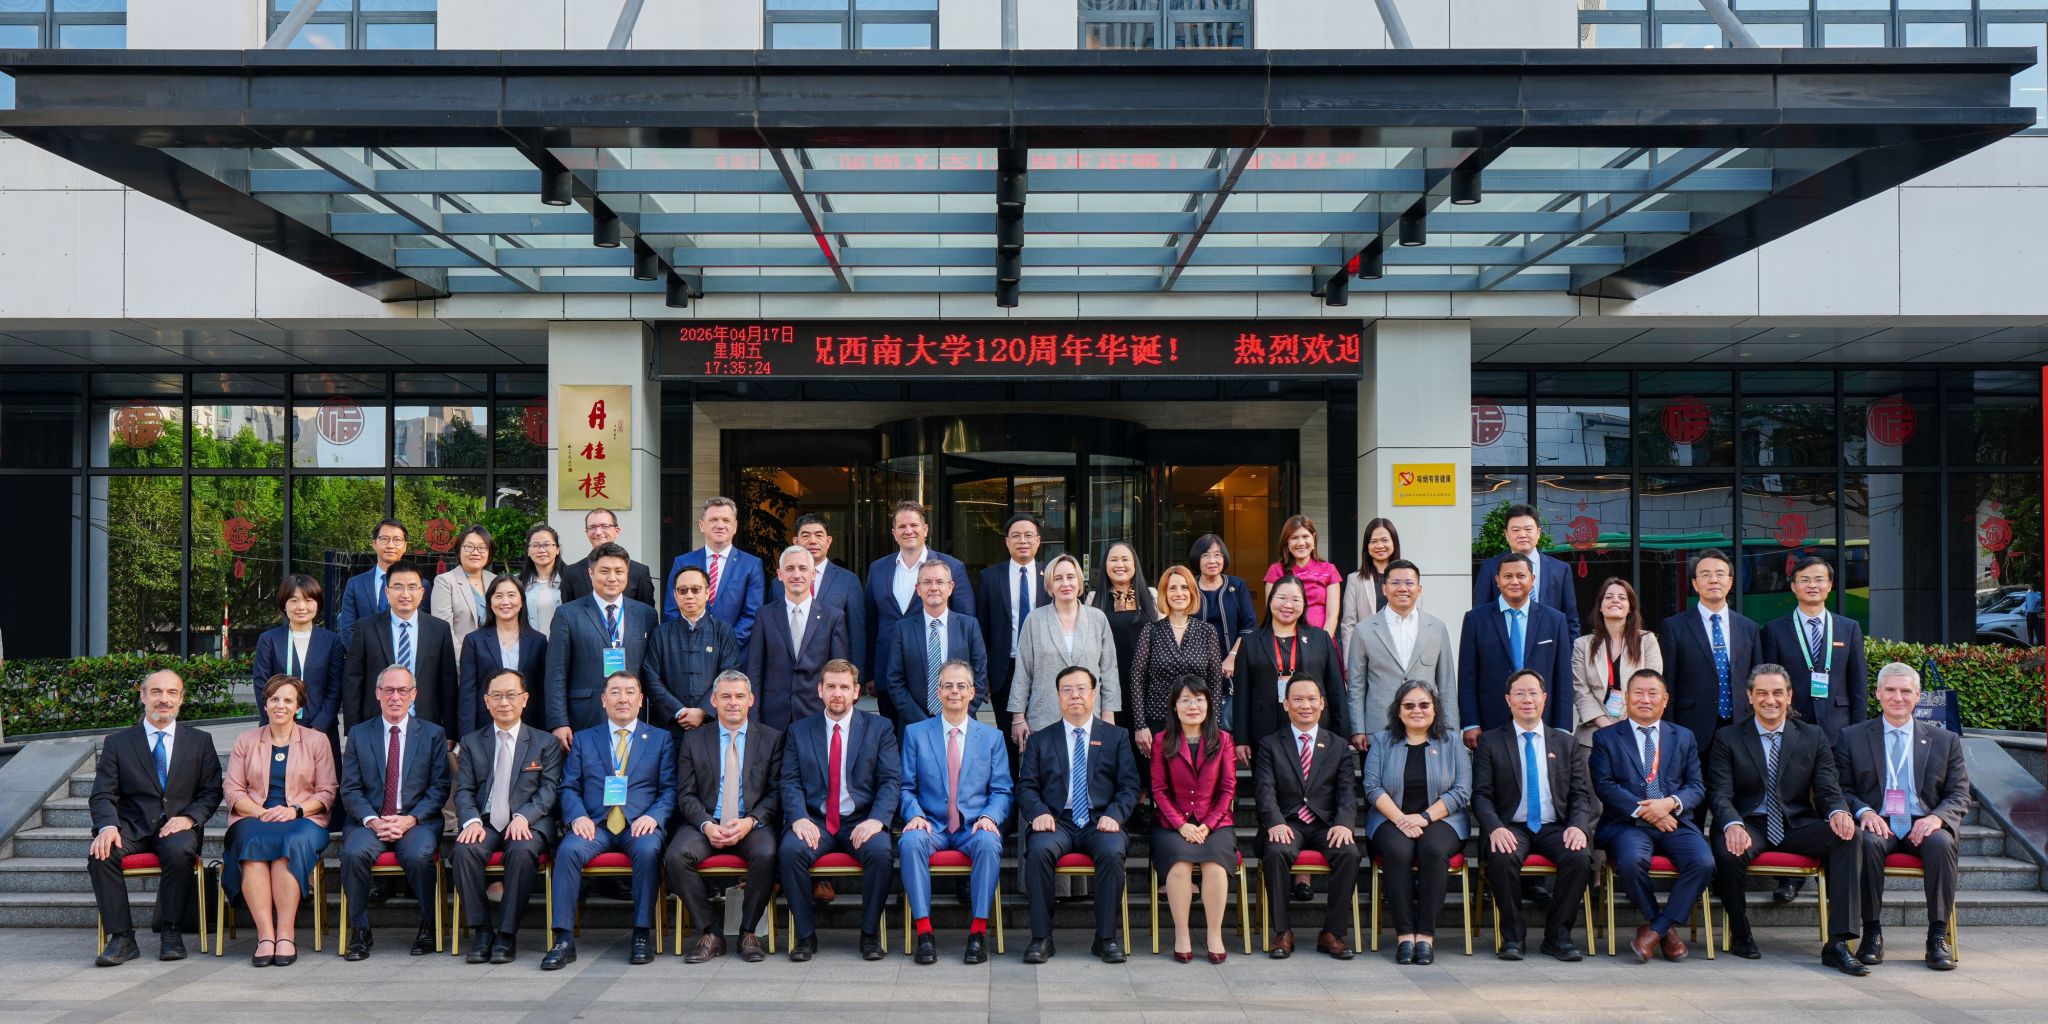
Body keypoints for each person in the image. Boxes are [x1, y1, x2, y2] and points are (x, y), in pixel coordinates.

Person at [1704, 663, 1866, 974]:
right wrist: (1732, 823)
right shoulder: (1728, 737)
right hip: (1750, 822)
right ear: (1749, 696)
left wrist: (1838, 812)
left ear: (1789, 695)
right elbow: (1720, 793)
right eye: (1762, 693)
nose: (1770, 700)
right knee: (1727, 849)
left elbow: (1828, 788)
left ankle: (1838, 943)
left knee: (1849, 837)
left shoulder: (1813, 736)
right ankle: (1741, 934)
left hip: (1796, 823)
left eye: (1777, 693)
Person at [1836, 662, 1968, 971]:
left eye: (1906, 691)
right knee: (1865, 843)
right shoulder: (1852, 737)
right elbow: (1839, 788)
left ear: (1918, 696)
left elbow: (1960, 793)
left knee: (1941, 843)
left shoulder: (1944, 740)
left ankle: (1938, 936)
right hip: (1877, 821)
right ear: (1878, 694)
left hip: (1923, 823)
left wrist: (1936, 818)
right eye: (1891, 690)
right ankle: (1872, 933)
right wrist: (1863, 810)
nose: (1898, 697)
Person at [88, 669, 224, 966]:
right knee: (101, 853)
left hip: (178, 826)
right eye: (156, 692)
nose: (164, 699)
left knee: (179, 851)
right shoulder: (118, 743)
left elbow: (212, 790)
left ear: (181, 699)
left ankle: (171, 931)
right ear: (143, 696)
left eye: (172, 692)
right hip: (130, 827)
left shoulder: (200, 741)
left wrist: (189, 819)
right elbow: (102, 793)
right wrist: (108, 826)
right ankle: (122, 937)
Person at [543, 672, 676, 970]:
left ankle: (641, 934)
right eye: (615, 692)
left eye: (629, 692)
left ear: (640, 700)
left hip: (639, 825)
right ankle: (563, 940)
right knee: (568, 851)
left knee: (648, 851)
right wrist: (577, 816)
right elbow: (568, 787)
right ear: (603, 700)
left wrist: (653, 817)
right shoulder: (584, 738)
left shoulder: (660, 739)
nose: (622, 699)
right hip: (596, 825)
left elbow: (669, 790)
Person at [1018, 666, 1141, 965]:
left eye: (1081, 688)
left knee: (1112, 852)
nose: (1075, 695)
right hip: (1057, 820)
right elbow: (1026, 787)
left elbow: (1129, 786)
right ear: (1058, 696)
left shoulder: (1116, 737)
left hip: (1100, 821)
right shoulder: (1040, 739)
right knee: (1038, 851)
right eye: (1067, 690)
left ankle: (1106, 939)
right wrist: (1038, 812)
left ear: (1093, 694)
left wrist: (1115, 814)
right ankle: (1041, 938)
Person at [779, 659, 900, 962]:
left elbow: (890, 781)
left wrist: (877, 820)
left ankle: (869, 935)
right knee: (790, 852)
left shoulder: (879, 728)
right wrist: (798, 818)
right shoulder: (799, 731)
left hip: (861, 819)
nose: (837, 693)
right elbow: (790, 781)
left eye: (844, 687)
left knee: (881, 853)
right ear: (819, 690)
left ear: (856, 692)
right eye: (831, 686)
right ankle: (805, 936)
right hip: (816, 820)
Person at [1471, 669, 1596, 962]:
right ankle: (1513, 937)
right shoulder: (1491, 741)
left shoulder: (1565, 743)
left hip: (1555, 825)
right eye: (1520, 693)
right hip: (1511, 825)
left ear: (1544, 698)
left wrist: (1578, 826)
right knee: (1502, 856)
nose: (1527, 699)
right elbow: (1481, 795)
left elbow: (1580, 795)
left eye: (1533, 693)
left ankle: (1558, 936)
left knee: (1579, 857)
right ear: (1508, 700)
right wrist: (1495, 827)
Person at [1590, 669, 1712, 964]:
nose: (1645, 699)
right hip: (1627, 824)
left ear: (1665, 699)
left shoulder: (1683, 736)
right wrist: (1650, 811)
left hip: (1674, 820)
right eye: (1638, 693)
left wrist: (1669, 803)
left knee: (1703, 862)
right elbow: (1605, 785)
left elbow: (1696, 786)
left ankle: (1656, 929)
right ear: (1627, 697)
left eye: (1652, 693)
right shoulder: (1606, 737)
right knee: (1631, 862)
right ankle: (1665, 929)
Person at [667, 670, 784, 964]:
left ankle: (748, 933)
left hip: (751, 824)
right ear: (714, 701)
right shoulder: (694, 740)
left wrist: (750, 821)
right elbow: (685, 795)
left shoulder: (771, 739)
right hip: (706, 822)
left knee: (767, 853)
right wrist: (706, 824)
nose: (733, 702)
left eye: (739, 696)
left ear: (751, 700)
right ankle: (711, 933)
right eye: (726, 696)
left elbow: (775, 793)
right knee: (676, 855)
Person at [899, 661, 1012, 965]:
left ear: (972, 692)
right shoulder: (916, 734)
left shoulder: (991, 738)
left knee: (989, 842)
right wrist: (914, 814)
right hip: (931, 826)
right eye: (948, 686)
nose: (954, 692)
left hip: (973, 827)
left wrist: (989, 817)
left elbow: (1002, 790)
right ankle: (924, 933)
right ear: (938, 692)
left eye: (961, 686)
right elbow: (906, 787)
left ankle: (978, 933)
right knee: (909, 841)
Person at [221, 675, 337, 969]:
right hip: (253, 816)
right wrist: (261, 812)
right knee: (251, 843)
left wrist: (294, 810)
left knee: (289, 842)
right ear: (265, 704)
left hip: (304, 819)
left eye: (288, 700)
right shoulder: (246, 740)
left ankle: (286, 934)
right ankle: (265, 936)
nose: (280, 705)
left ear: (298, 707)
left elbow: (327, 792)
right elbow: (233, 790)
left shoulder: (317, 740)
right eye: (274, 699)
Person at [450, 667, 562, 965]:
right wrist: (471, 820)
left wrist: (525, 816)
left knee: (522, 851)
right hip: (486, 821)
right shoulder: (472, 742)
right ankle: (482, 931)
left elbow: (550, 789)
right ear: (486, 701)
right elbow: (464, 790)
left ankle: (507, 934)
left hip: (529, 822)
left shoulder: (544, 742)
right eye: (496, 696)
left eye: (511, 695)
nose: (504, 702)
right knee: (463, 851)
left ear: (524, 699)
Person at [337, 665, 450, 961]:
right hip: (370, 821)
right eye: (389, 690)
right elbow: (350, 788)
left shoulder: (433, 734)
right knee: (353, 854)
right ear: (378, 694)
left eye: (403, 690)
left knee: (418, 856)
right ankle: (361, 929)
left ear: (414, 694)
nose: (395, 697)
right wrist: (373, 821)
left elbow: (439, 787)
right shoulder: (359, 734)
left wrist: (410, 819)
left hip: (416, 820)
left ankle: (428, 925)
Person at [1362, 680, 1470, 966]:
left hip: (1442, 818)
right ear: (1398, 711)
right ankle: (1404, 936)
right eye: (1409, 705)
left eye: (1424, 704)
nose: (1416, 710)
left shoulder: (1452, 741)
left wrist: (1423, 818)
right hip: (1390, 818)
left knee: (1433, 850)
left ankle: (1425, 935)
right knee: (1396, 851)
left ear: (1435, 709)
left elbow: (1462, 790)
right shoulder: (1382, 741)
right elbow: (1372, 787)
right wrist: (1401, 819)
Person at [1253, 673, 1360, 959]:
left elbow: (1347, 791)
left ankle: (1332, 933)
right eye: (1298, 699)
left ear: (1322, 703)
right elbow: (1264, 789)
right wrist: (1274, 821)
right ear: (1286, 704)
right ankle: (1282, 932)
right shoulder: (1270, 744)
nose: (1305, 705)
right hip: (1288, 823)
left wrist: (1344, 823)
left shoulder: (1338, 745)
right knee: (1276, 851)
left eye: (1312, 699)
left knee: (1349, 853)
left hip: (1325, 824)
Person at [1150, 677, 1237, 964]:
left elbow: (1227, 789)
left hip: (1215, 823)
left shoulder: (1223, 740)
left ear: (1209, 705)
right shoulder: (1162, 741)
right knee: (1179, 864)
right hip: (1172, 824)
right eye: (1185, 700)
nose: (1193, 706)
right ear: (1174, 706)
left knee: (1215, 867)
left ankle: (1214, 934)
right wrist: (1180, 824)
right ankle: (1182, 934)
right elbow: (1159, 790)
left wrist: (1208, 824)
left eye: (1199, 700)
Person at [863, 500, 973, 717]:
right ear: (894, 533)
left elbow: (965, 625)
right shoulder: (877, 568)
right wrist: (869, 672)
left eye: (914, 525)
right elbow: (870, 623)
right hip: (889, 674)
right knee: (892, 735)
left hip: (937, 674)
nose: (908, 531)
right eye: (902, 526)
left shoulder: (952, 566)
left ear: (925, 529)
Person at [543, 541, 658, 745]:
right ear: (591, 573)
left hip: (633, 716)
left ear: (627, 573)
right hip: (584, 716)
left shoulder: (646, 614)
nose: (612, 578)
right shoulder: (567, 614)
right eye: (604, 571)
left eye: (619, 571)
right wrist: (558, 722)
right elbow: (556, 673)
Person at [1459, 552, 1571, 749]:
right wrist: (1470, 722)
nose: (1514, 582)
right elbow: (1467, 675)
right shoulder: (1475, 619)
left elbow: (1563, 676)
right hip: (1491, 720)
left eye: (1521, 576)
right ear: (1497, 580)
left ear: (1532, 579)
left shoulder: (1555, 620)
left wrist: (1562, 726)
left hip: (1543, 720)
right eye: (1507, 576)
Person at [1010, 553, 1120, 749]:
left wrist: (1108, 714)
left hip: (1090, 718)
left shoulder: (1098, 619)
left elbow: (1109, 670)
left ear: (1079, 581)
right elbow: (1022, 672)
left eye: (1070, 577)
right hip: (1044, 717)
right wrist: (1018, 717)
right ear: (1050, 585)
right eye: (1058, 579)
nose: (1065, 583)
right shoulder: (1034, 620)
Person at [1658, 549, 1760, 758]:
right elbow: (1668, 682)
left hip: (1741, 726)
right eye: (1705, 574)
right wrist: (1670, 731)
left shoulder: (1749, 627)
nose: (1713, 579)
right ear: (1695, 584)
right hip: (1692, 728)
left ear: (1730, 582)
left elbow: (1757, 679)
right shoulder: (1674, 627)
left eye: (1720, 574)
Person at [1233, 574, 1346, 765]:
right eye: (1282, 598)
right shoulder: (1250, 642)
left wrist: (1341, 735)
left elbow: (1336, 690)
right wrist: (1241, 738)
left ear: (1304, 605)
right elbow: (1242, 695)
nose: (1288, 605)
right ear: (1270, 600)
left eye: (1295, 600)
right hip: (1264, 730)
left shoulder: (1321, 639)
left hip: (1315, 729)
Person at [1347, 560, 1456, 753]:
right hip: (1378, 729)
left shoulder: (1437, 628)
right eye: (1395, 583)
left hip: (1427, 729)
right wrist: (1357, 728)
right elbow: (1356, 685)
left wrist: (1451, 729)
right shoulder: (1363, 630)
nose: (1402, 588)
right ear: (1384, 589)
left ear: (1419, 589)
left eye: (1409, 583)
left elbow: (1447, 684)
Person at [1761, 556, 1868, 750]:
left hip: (1839, 729)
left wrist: (1858, 730)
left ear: (1829, 585)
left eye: (1819, 579)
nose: (1812, 585)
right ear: (1793, 586)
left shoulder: (1849, 628)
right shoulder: (1774, 630)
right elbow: (1770, 684)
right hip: (1792, 727)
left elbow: (1858, 683)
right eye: (1805, 580)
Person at [342, 561, 456, 738]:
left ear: (422, 592)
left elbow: (448, 684)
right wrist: (353, 731)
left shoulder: (439, 629)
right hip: (375, 724)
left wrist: (450, 732)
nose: (405, 594)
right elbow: (353, 681)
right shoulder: (365, 628)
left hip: (426, 725)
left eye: (412, 587)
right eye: (397, 587)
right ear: (387, 592)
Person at [746, 545, 852, 732]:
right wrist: (753, 717)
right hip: (772, 719)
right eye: (790, 568)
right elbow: (754, 671)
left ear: (813, 574)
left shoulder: (833, 617)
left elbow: (839, 673)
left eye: (803, 568)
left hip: (817, 716)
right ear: (780, 575)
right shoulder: (764, 616)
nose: (796, 575)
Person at [1127, 565, 1225, 764]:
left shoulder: (1207, 632)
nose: (1179, 593)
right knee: (1160, 780)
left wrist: (1213, 725)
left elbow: (1215, 682)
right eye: (1172, 588)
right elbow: (1137, 678)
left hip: (1196, 722)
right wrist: (1140, 725)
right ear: (1164, 593)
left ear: (1192, 592)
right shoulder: (1151, 631)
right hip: (1158, 722)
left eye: (1184, 587)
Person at [977, 513, 1049, 776]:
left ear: (1038, 541)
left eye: (1028, 535)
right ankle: (1010, 794)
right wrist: (983, 675)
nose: (1022, 541)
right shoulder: (989, 577)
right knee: (1009, 736)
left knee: (1042, 736)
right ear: (1007, 542)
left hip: (1044, 668)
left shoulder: (1051, 576)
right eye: (1016, 536)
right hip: (1004, 670)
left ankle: (1038, 791)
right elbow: (982, 628)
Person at [884, 558, 989, 733]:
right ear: (918, 589)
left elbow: (979, 676)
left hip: (961, 724)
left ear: (951, 587)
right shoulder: (903, 629)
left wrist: (957, 716)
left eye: (940, 582)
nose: (934, 587)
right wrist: (922, 723)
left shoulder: (969, 626)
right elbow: (895, 681)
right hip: (916, 726)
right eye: (927, 582)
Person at [642, 564, 743, 738]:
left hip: (712, 725)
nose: (689, 595)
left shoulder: (723, 632)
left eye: (696, 590)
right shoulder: (661, 633)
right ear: (675, 595)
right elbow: (651, 678)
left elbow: (728, 676)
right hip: (670, 728)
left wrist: (703, 711)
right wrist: (679, 711)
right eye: (683, 590)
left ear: (707, 593)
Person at [251, 574, 345, 750]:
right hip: (278, 726)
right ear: (284, 604)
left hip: (321, 728)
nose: (301, 607)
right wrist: (276, 720)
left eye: (308, 600)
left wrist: (318, 727)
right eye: (294, 600)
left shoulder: (332, 641)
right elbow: (261, 683)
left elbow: (335, 688)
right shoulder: (269, 640)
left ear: (317, 604)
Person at [772, 513, 868, 677]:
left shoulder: (848, 581)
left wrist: (856, 678)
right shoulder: (778, 583)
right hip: (787, 675)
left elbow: (857, 634)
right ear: (795, 541)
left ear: (829, 541)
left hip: (833, 674)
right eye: (805, 535)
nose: (812, 541)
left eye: (819, 535)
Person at [1572, 577, 1663, 748]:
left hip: (1637, 733)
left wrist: (1627, 727)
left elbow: (1652, 688)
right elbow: (1580, 691)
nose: (1615, 600)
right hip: (1592, 736)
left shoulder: (1647, 641)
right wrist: (1608, 728)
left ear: (1630, 608)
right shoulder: (1582, 645)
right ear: (1600, 607)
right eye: (1609, 597)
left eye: (1622, 597)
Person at [1475, 503, 1582, 646]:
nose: (1522, 535)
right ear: (1506, 534)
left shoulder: (1560, 570)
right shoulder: (1490, 568)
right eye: (1516, 530)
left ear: (1538, 532)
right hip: (1504, 647)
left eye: (1528, 529)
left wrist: (1570, 655)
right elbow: (1480, 616)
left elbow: (1571, 620)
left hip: (1549, 650)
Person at [455, 574, 547, 738]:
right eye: (498, 596)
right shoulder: (474, 640)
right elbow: (467, 693)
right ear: (490, 602)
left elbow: (542, 690)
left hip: (530, 725)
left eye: (511, 595)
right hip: (485, 725)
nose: (505, 602)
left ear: (522, 601)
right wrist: (466, 737)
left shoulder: (538, 641)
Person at [664, 496, 765, 642]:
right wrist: (691, 644)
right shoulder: (682, 562)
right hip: (688, 648)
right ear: (701, 525)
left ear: (735, 526)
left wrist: (726, 646)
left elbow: (752, 615)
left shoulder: (751, 565)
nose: (720, 525)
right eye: (713, 519)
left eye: (726, 520)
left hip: (732, 650)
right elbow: (672, 610)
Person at [1085, 540, 1159, 732]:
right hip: (1109, 682)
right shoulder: (1094, 599)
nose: (1119, 565)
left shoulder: (1151, 596)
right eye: (1113, 560)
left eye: (1125, 559)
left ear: (1134, 564)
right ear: (1105, 565)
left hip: (1147, 682)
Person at [1189, 533, 1256, 695]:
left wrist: (1232, 657)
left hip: (1234, 664)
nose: (1213, 561)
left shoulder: (1238, 586)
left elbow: (1249, 627)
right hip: (1194, 666)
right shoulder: (1188, 587)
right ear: (1197, 559)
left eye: (1217, 555)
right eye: (1206, 555)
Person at [559, 508, 659, 610]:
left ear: (617, 531)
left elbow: (647, 614)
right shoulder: (571, 573)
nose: (598, 532)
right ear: (587, 533)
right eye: (592, 527)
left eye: (605, 526)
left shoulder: (640, 572)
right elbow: (567, 613)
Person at [334, 518, 412, 647]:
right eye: (384, 539)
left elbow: (423, 629)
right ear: (374, 544)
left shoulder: (420, 586)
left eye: (397, 540)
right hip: (364, 658)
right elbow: (347, 630)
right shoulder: (355, 584)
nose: (390, 545)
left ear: (405, 546)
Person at [1264, 515, 1341, 639]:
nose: (1300, 543)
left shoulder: (1329, 570)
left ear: (1313, 538)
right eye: (1294, 538)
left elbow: (1332, 616)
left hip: (1321, 639)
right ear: (1287, 542)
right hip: (1285, 641)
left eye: (1305, 536)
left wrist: (1323, 644)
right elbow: (1272, 612)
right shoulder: (1276, 571)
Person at [1337, 517, 1400, 656]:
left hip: (1400, 652)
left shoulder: (1407, 578)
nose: (1379, 545)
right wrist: (1349, 662)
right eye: (1373, 541)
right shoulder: (1355, 580)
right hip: (1367, 654)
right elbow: (1349, 625)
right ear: (1367, 546)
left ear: (1394, 542)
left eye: (1385, 540)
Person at [431, 524, 495, 656]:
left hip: (495, 659)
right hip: (461, 659)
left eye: (482, 547)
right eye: (469, 547)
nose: (475, 552)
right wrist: (466, 660)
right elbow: (444, 631)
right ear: (458, 551)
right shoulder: (445, 582)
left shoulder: (495, 581)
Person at [518, 524, 566, 636]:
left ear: (557, 549)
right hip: (529, 645)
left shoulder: (570, 579)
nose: (541, 550)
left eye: (547, 544)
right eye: (535, 545)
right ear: (528, 551)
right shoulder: (518, 583)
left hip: (563, 645)